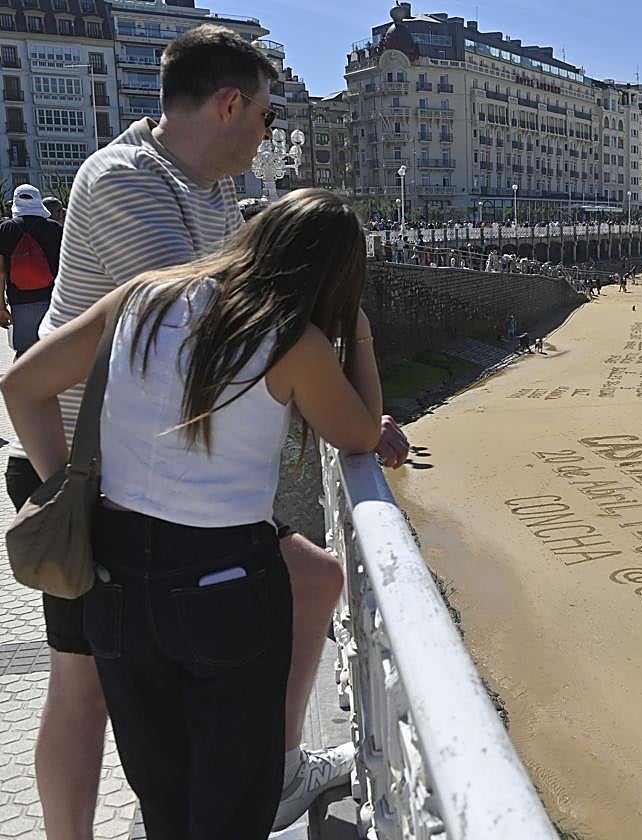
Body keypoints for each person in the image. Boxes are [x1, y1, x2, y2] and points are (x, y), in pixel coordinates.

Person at [8, 27, 406, 837]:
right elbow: (211, 342)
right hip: (91, 473)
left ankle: (279, 772)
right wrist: (70, 498)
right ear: (230, 103)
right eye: (265, 116)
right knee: (81, 687)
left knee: (315, 580)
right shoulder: (126, 183)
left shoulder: (211, 189)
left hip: (167, 481)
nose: (270, 135)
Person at [0, 184, 63, 356]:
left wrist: (1, 307)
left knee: (24, 353)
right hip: (51, 300)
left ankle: (20, 381)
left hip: (19, 301)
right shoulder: (55, 228)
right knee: (51, 351)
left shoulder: (4, 229)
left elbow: (0, 272)